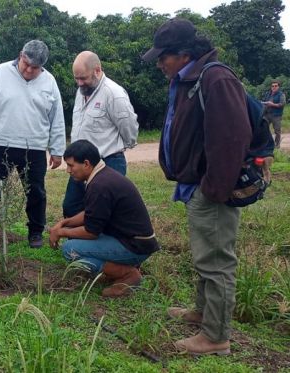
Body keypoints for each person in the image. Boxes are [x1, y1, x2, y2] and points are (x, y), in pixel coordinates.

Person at [142, 18, 252, 355]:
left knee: (216, 260)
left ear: (185, 53)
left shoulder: (215, 78)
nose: (160, 62)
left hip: (212, 189)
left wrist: (213, 189)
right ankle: (203, 313)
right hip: (196, 186)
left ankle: (215, 337)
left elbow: (233, 138)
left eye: (164, 56)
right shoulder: (188, 79)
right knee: (204, 254)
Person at [0, 40, 66, 251]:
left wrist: (57, 150)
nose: (29, 70)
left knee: (36, 192)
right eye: (27, 64)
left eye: (35, 68)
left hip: (34, 147)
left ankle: (35, 232)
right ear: (20, 55)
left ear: (42, 66)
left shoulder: (49, 81)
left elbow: (57, 118)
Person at [49, 140, 159, 297]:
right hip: (131, 239)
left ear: (86, 164)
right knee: (74, 242)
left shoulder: (99, 186)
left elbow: (91, 232)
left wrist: (61, 232)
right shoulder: (103, 176)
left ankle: (127, 274)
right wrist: (64, 223)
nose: (68, 170)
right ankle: (118, 267)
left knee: (70, 249)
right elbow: (90, 213)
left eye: (71, 165)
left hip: (134, 245)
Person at [62, 51, 139, 218]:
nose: (80, 83)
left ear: (97, 70)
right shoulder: (81, 91)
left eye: (83, 78)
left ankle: (105, 243)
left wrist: (115, 147)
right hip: (80, 163)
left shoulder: (114, 93)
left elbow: (130, 129)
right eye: (77, 79)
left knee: (103, 211)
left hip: (108, 162)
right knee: (71, 206)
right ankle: (78, 243)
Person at [262, 80, 286, 148]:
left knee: (277, 131)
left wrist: (273, 104)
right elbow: (264, 101)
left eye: (276, 86)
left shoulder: (281, 94)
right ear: (271, 87)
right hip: (267, 114)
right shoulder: (268, 94)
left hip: (276, 115)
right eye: (272, 86)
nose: (274, 87)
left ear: (278, 87)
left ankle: (277, 146)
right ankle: (265, 144)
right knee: (264, 129)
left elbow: (282, 104)